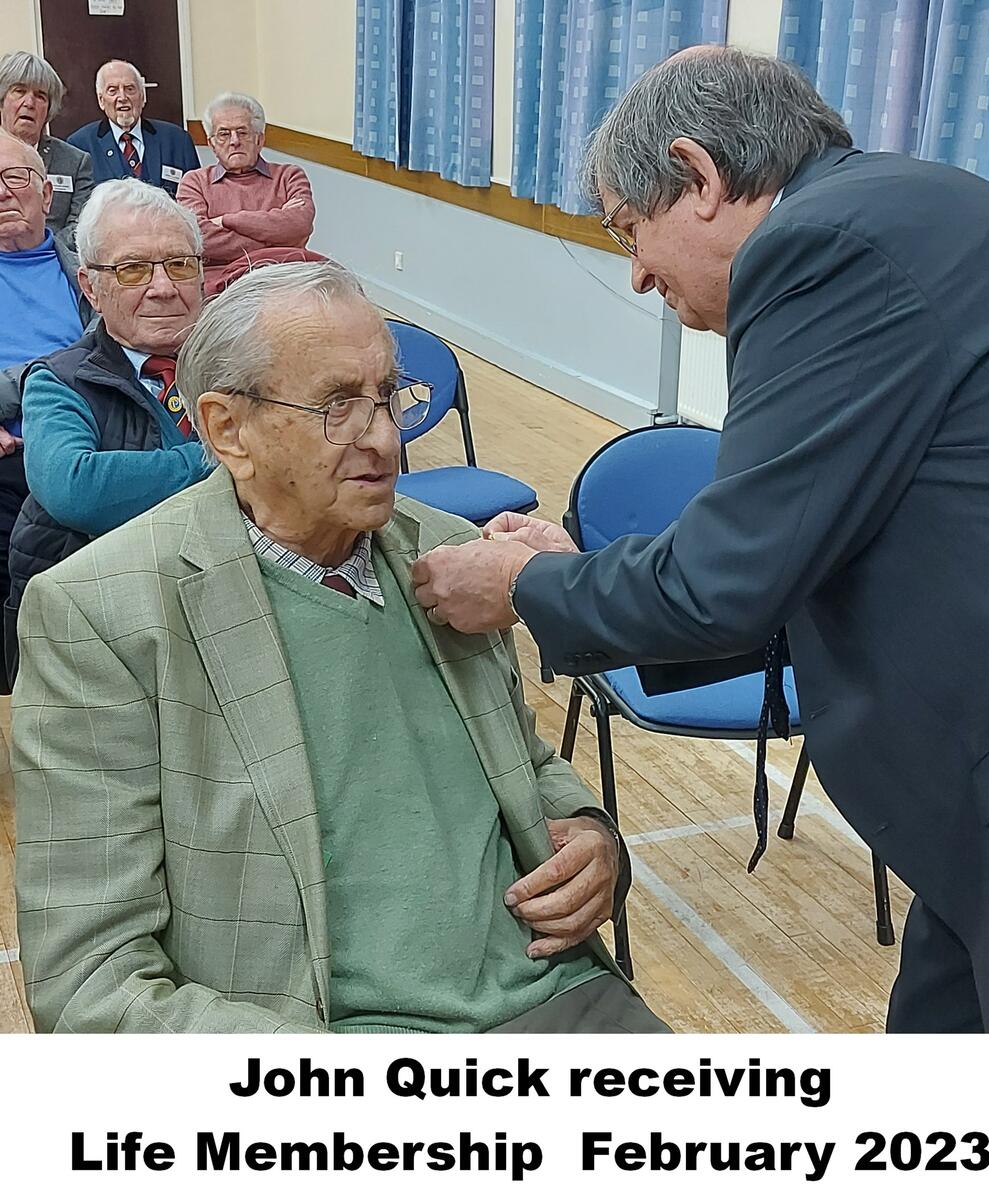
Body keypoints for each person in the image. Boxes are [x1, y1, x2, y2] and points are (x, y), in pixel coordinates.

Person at [411, 47, 989, 1035]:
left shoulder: (822, 247)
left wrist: (520, 585)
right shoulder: (900, 212)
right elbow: (806, 543)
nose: (637, 273)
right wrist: (576, 572)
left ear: (697, 176)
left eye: (626, 228)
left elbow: (726, 581)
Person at [12, 260, 667, 1036]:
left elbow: (520, 764)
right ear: (228, 429)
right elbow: (90, 984)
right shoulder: (103, 613)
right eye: (337, 406)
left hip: (555, 994)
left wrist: (590, 836)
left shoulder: (450, 560)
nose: (385, 438)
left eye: (387, 396)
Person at [3, 176, 211, 684]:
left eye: (180, 264)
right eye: (133, 269)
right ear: (91, 288)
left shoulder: (238, 365)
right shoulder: (57, 379)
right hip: (94, 621)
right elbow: (74, 486)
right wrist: (218, 459)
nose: (163, 288)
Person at [0, 130, 94, 691]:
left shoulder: (87, 271)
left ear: (44, 192)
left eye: (14, 178)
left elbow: (107, 361)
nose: (3, 193)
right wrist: (48, 377)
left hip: (86, 442)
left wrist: (35, 382)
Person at [177, 91, 317, 295]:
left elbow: (300, 224)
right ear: (212, 144)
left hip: (284, 278)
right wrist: (280, 241)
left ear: (259, 139)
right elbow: (199, 239)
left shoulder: (289, 176)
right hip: (222, 287)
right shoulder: (194, 182)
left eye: (243, 132)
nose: (234, 141)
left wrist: (226, 220)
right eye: (224, 134)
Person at [0, 51, 93, 251]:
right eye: (19, 91)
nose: (29, 103)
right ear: (2, 100)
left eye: (40, 96)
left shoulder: (76, 162)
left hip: (54, 261)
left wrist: (43, 248)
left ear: (49, 110)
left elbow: (81, 225)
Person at [67, 60, 198, 197]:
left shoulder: (177, 140)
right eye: (113, 91)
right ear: (101, 100)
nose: (123, 97)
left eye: (130, 89)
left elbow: (194, 199)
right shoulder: (79, 145)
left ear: (142, 97)